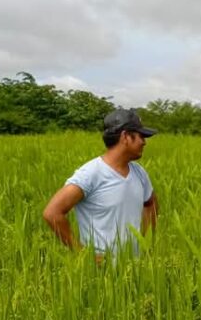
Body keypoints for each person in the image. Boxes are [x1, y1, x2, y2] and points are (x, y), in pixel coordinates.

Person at [43, 108, 159, 258]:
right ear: (125, 137)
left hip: (136, 271)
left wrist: (146, 242)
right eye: (140, 136)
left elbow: (151, 204)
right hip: (101, 275)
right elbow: (52, 213)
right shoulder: (90, 174)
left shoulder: (139, 172)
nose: (144, 142)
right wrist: (83, 255)